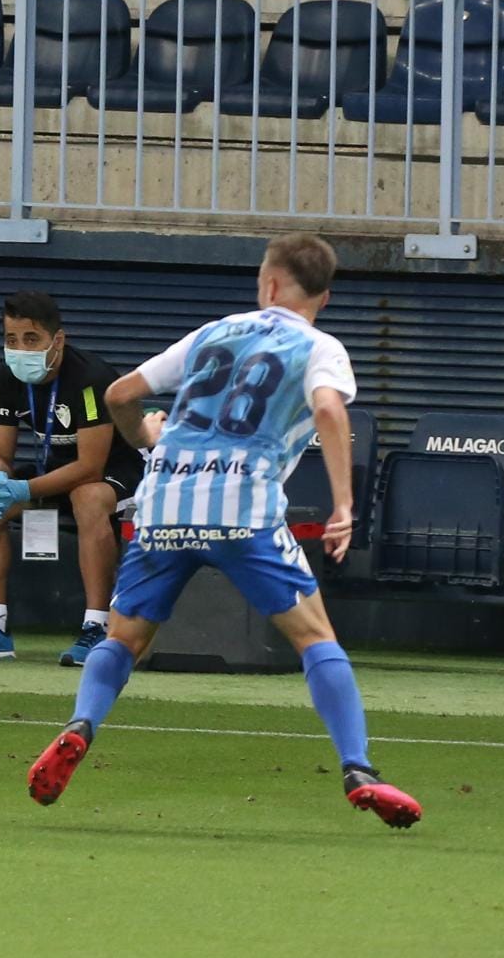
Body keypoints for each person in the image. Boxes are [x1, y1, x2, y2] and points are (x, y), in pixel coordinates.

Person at [25, 235, 422, 830]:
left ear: (267, 284)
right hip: (242, 508)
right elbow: (332, 412)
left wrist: (145, 440)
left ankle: (81, 724)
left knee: (124, 639)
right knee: (316, 640)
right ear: (324, 296)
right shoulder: (320, 346)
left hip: (162, 501)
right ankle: (358, 768)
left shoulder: (215, 331)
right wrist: (343, 505)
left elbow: (118, 394)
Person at [0, 291, 146, 666]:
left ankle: (98, 628)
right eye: (11, 340)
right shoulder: (5, 377)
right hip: (56, 472)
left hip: (119, 473)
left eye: (31, 339)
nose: (20, 349)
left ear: (56, 341)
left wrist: (24, 488)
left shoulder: (91, 378)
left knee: (88, 497)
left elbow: (91, 466)